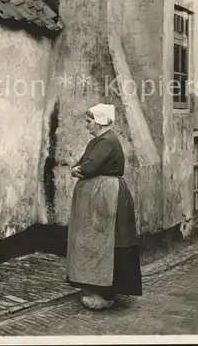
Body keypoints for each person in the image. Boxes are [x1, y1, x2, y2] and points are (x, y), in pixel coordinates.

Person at [66, 103, 142, 310]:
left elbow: (87, 167)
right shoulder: (100, 140)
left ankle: (104, 292)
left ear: (99, 121)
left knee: (103, 242)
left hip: (105, 197)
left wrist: (77, 171)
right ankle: (98, 288)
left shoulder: (106, 141)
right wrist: (78, 168)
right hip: (99, 196)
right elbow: (82, 163)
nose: (87, 126)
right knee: (96, 242)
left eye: (89, 122)